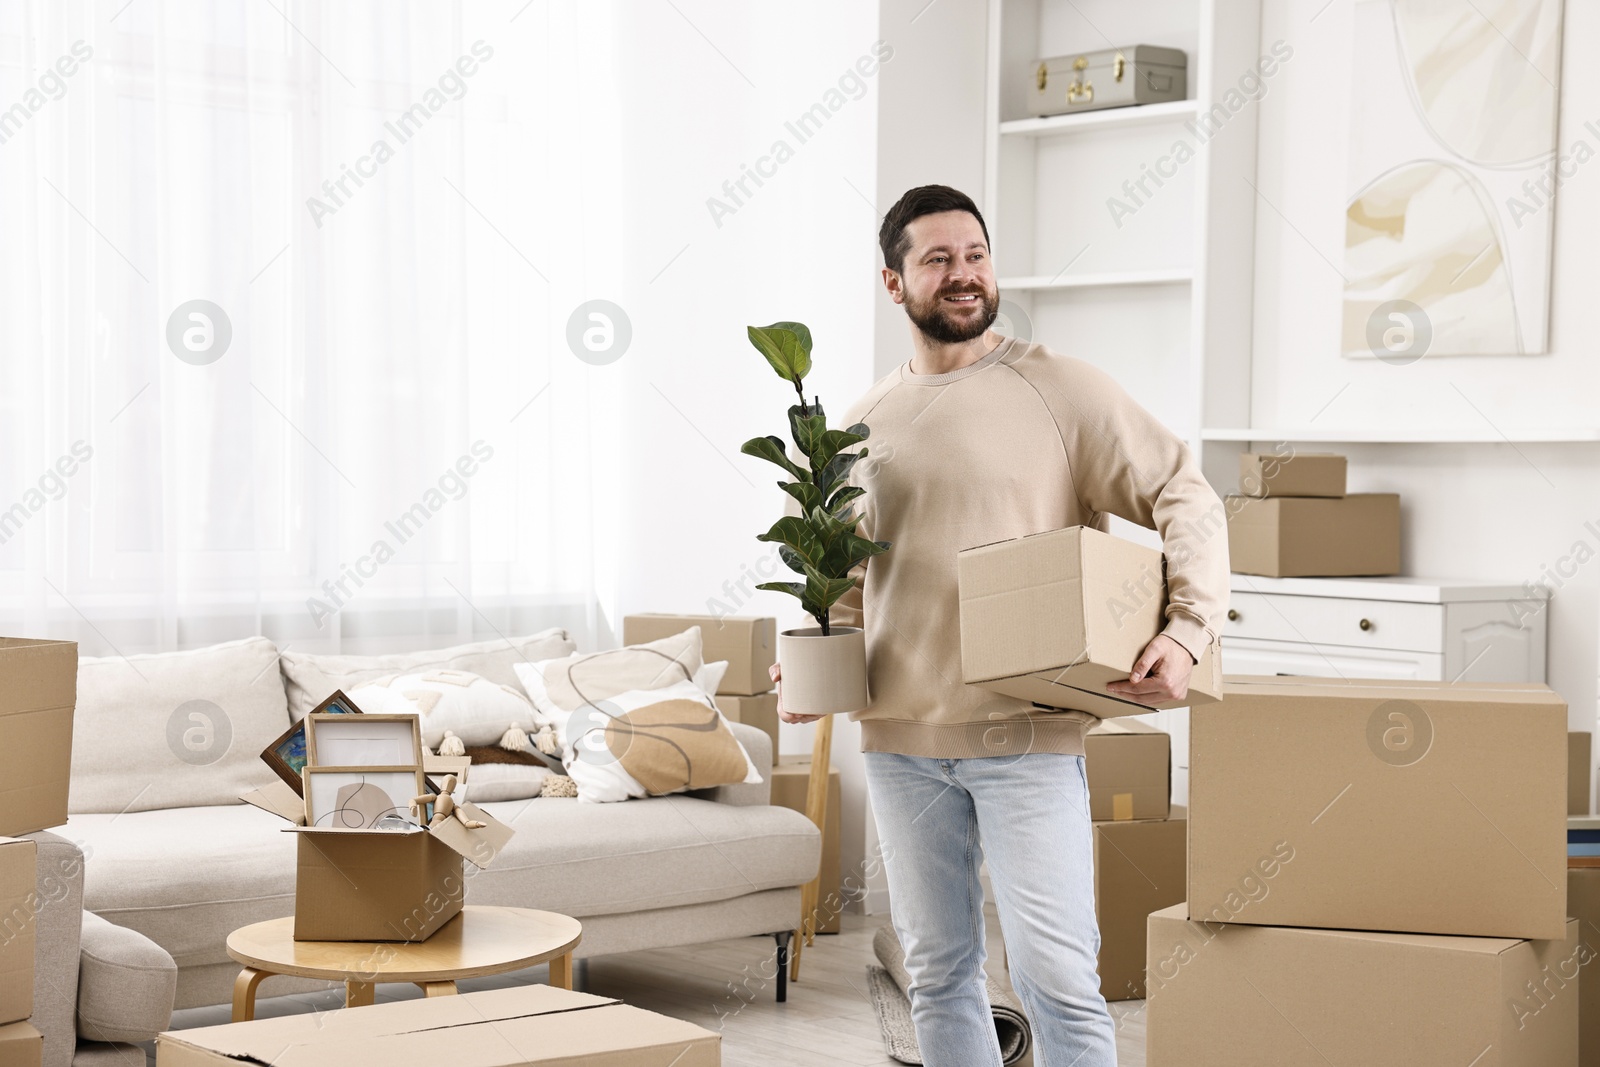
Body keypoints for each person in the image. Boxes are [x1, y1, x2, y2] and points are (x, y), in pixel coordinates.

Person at [769, 184, 1228, 1067]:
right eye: (937, 259)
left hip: (1028, 739)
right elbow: (850, 586)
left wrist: (1188, 626)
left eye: (974, 254)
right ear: (893, 283)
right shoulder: (862, 423)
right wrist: (813, 664)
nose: (963, 274)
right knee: (939, 973)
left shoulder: (1058, 388)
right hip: (902, 746)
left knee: (1059, 982)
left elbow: (1184, 489)